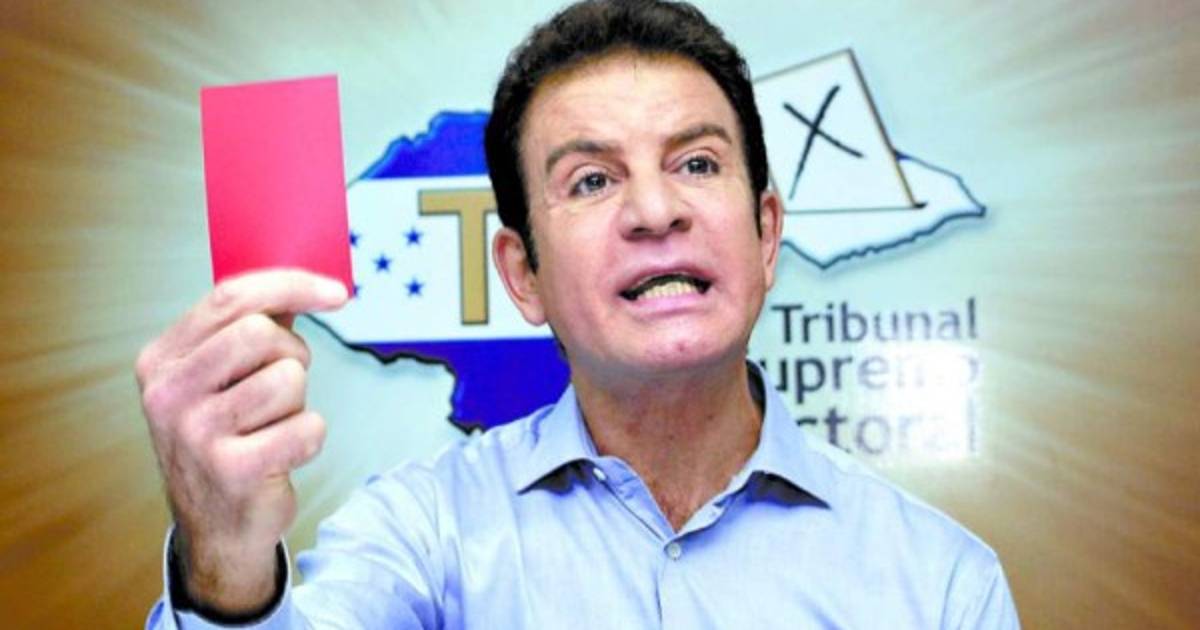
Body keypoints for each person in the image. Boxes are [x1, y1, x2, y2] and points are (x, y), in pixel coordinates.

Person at [140, 1, 1020, 628]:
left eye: (698, 164)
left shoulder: (943, 584)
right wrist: (225, 566)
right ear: (522, 274)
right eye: (592, 180)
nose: (655, 211)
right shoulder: (423, 533)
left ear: (766, 233)